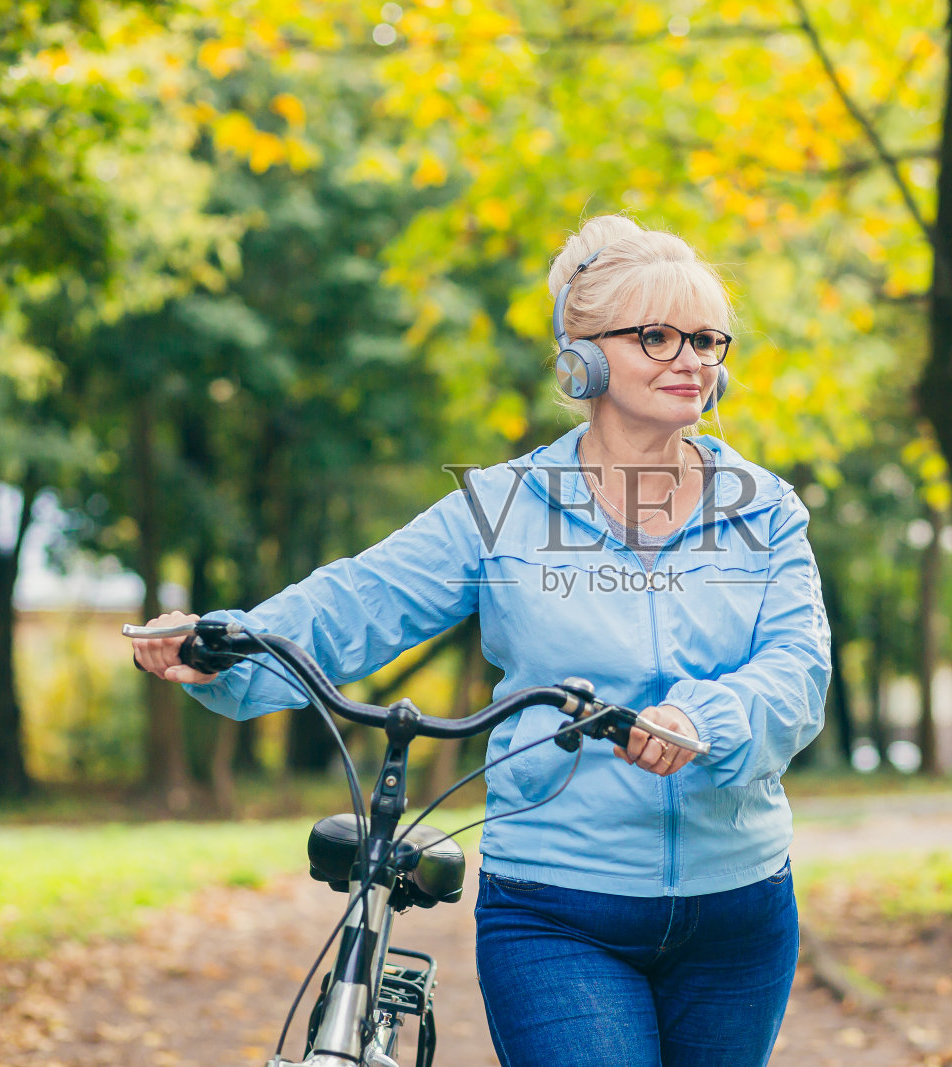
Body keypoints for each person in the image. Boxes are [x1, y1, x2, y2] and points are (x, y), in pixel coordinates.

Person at [130, 214, 831, 1067]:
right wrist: (227, 641)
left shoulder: (763, 507)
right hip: (557, 907)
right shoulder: (503, 507)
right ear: (584, 357)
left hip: (740, 909)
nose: (693, 360)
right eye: (658, 336)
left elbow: (797, 670)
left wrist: (703, 717)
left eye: (709, 340)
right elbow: (360, 600)